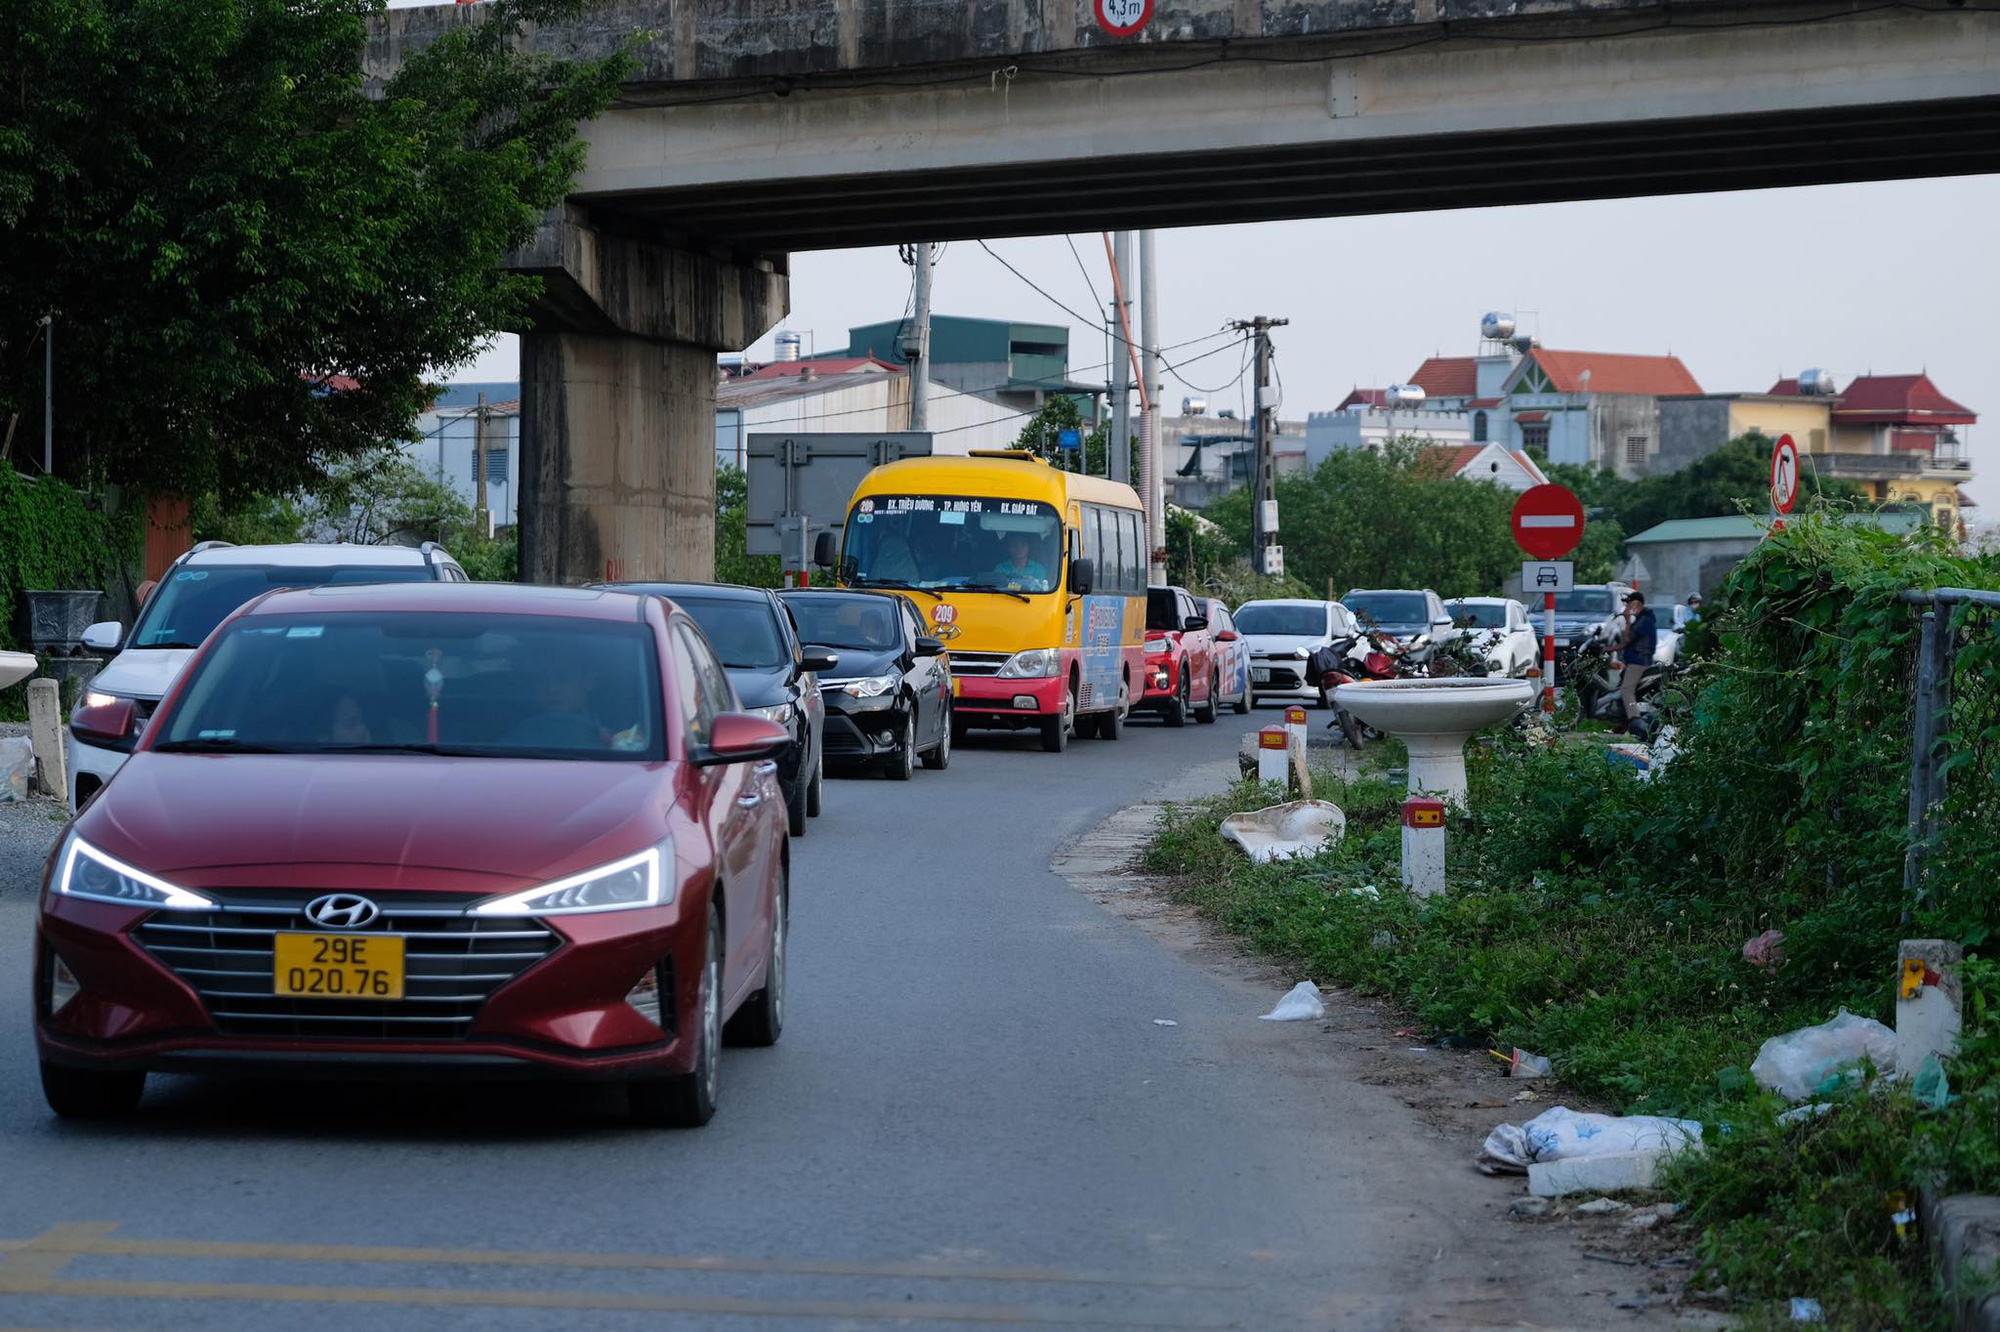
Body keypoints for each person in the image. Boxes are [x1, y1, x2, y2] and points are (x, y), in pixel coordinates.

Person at [1615, 590, 1657, 731]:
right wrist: (1607, 648)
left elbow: (1628, 638)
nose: (1627, 606)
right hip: (1636, 659)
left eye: (1629, 603)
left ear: (1636, 604)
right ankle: (1623, 723)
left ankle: (1635, 721)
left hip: (1639, 661)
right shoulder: (1643, 618)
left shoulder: (1644, 620)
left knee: (1626, 689)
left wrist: (1627, 620)